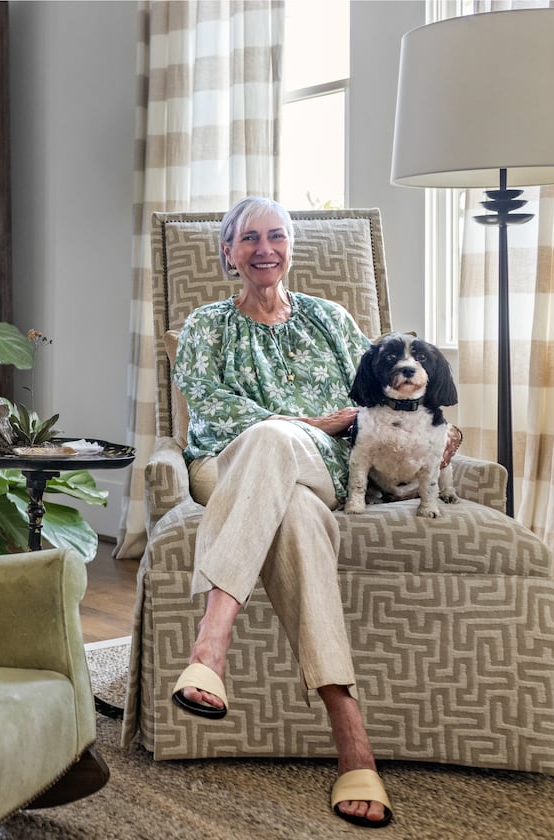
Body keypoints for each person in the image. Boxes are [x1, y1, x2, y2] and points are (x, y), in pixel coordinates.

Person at [169, 196, 391, 828]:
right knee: (285, 493)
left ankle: (211, 648)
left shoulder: (331, 319)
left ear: (290, 248)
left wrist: (321, 428)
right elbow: (209, 409)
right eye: (248, 238)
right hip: (229, 465)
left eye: (275, 236)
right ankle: (351, 737)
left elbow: (374, 397)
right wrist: (302, 421)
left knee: (279, 448)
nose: (263, 248)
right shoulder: (206, 324)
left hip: (322, 461)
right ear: (227, 252)